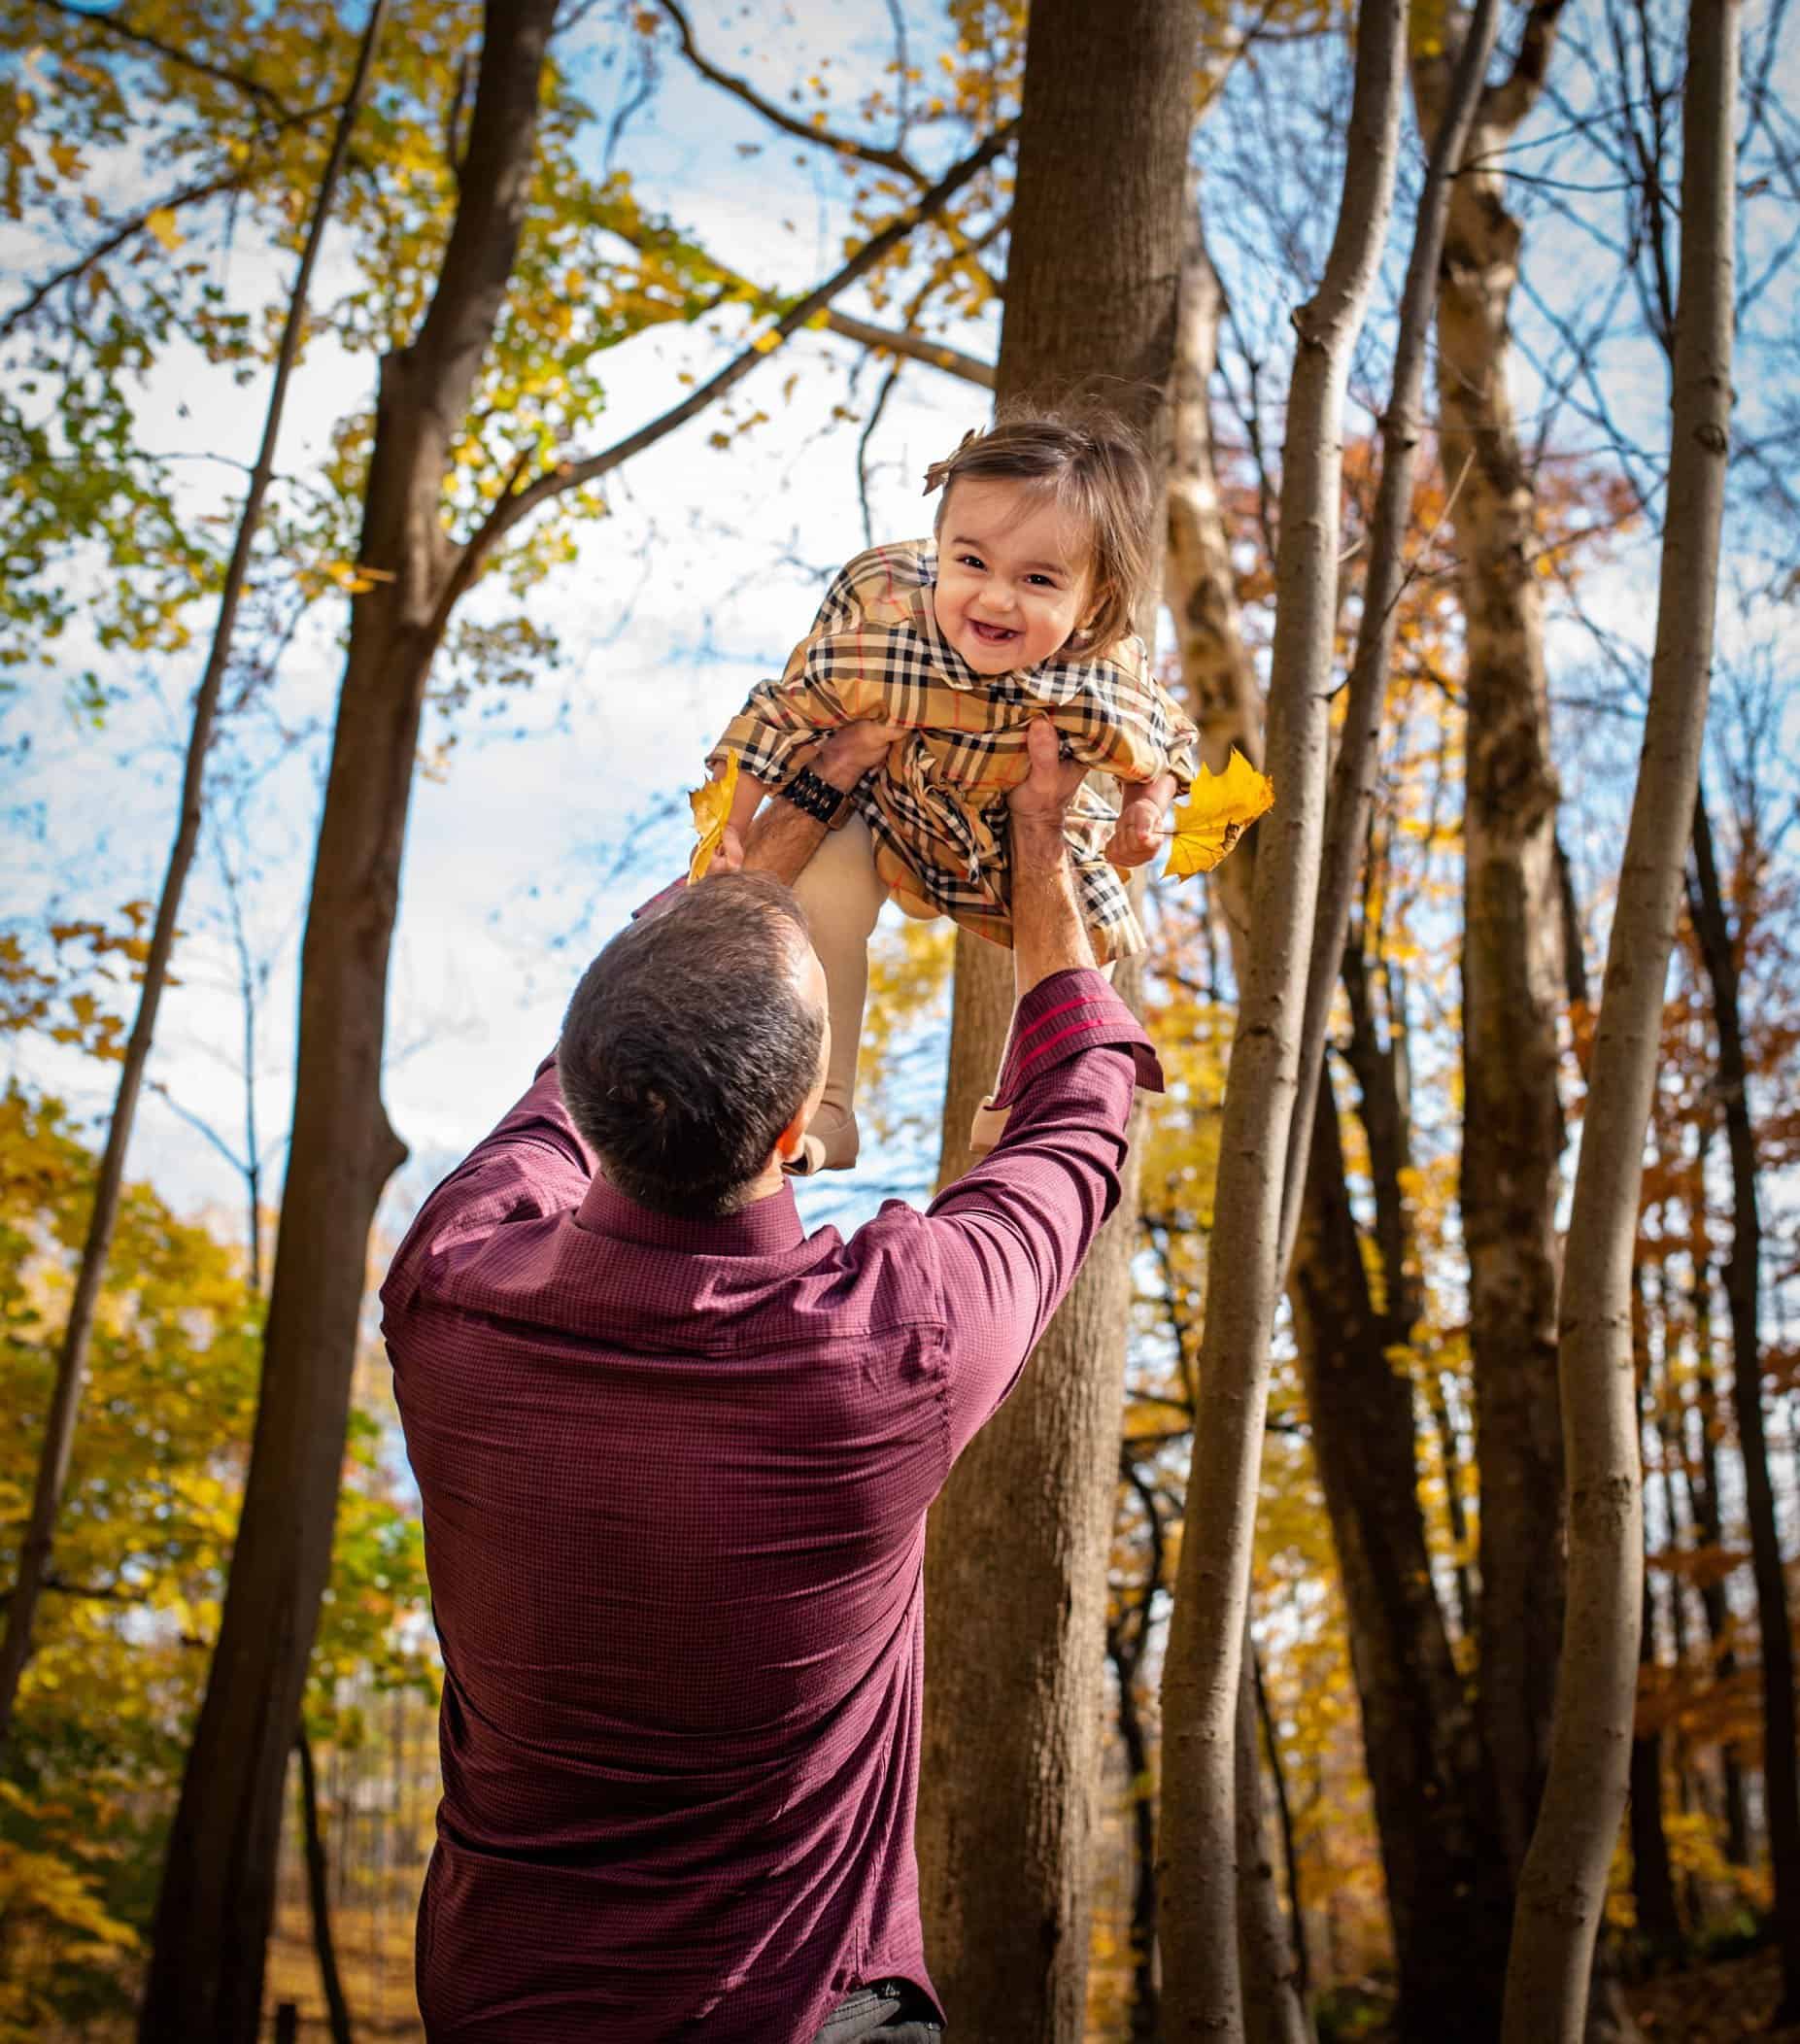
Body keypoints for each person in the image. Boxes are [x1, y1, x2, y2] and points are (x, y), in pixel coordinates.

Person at [381, 716, 1165, 2042]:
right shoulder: (894, 1341)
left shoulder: (449, 1290)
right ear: (802, 1132)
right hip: (805, 2019)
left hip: (504, 2004)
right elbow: (1080, 1118)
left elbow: (563, 1095)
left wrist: (754, 851)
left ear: (582, 1083)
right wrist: (1042, 852)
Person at [703, 405, 1199, 1174]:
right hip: (885, 802)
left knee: (1091, 941)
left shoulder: (1097, 679)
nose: (996, 600)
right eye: (972, 564)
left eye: (1037, 580)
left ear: (1092, 603)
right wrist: (733, 824)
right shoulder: (888, 638)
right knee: (819, 892)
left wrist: (1146, 810)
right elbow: (779, 713)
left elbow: (1166, 742)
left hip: (1009, 828)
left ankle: (1014, 1105)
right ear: (939, 550)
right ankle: (823, 1106)